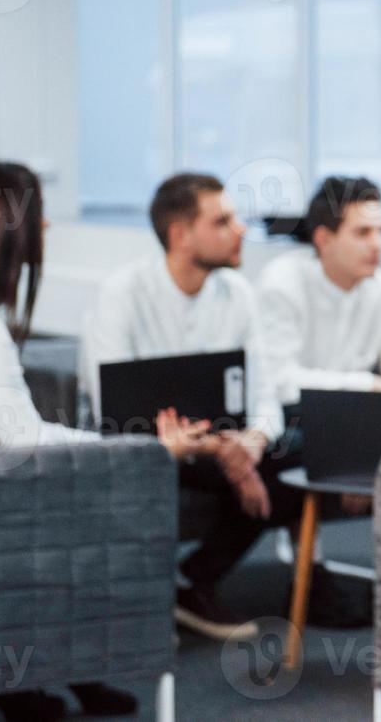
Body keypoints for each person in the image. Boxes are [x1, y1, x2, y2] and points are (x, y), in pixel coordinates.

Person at [0, 162, 212, 722]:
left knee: (76, 502)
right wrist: (138, 450)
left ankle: (52, 676)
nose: (46, 228)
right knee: (102, 512)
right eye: (39, 216)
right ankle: (63, 670)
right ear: (9, 229)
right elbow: (22, 436)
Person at [83, 173, 320, 640]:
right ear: (180, 234)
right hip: (149, 447)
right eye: (223, 221)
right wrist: (225, 454)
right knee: (234, 463)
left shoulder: (239, 294)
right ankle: (152, 594)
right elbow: (114, 408)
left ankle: (193, 581)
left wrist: (250, 443)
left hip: (222, 446)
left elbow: (265, 396)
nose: (240, 231)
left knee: (302, 454)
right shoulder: (121, 295)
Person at [257, 176, 381, 403]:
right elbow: (276, 382)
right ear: (324, 239)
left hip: (359, 423)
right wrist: (366, 385)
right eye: (363, 233)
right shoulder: (282, 284)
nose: (378, 245)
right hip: (292, 423)